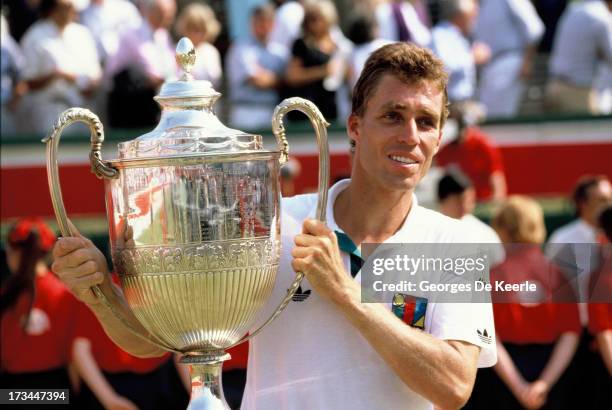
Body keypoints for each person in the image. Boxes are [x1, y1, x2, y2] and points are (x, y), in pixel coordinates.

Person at [50, 42, 497, 409]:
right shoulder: (273, 222)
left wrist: (346, 295)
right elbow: (163, 341)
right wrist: (100, 293)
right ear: (356, 127)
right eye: (393, 116)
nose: (411, 136)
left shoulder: (456, 243)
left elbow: (454, 386)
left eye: (426, 122)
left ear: (439, 138)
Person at [474, 196, 581, 410]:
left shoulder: (491, 276)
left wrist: (519, 386)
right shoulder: (558, 274)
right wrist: (543, 384)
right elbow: (571, 333)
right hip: (551, 369)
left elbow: (486, 336)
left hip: (501, 375)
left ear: (502, 228)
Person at [0, 218, 79, 408]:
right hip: (57, 390)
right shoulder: (64, 293)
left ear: (15, 253)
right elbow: (73, 357)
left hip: (12, 391)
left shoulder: (6, 294)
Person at [72, 297, 189, 410]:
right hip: (113, 382)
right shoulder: (96, 288)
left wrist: (196, 391)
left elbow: (182, 345)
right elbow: (81, 350)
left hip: (161, 378)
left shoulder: (160, 290)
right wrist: (110, 399)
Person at [18, 0, 102, 134]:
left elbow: (95, 76)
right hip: (48, 112)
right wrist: (54, 76)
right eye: (67, 7)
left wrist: (79, 81)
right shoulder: (34, 36)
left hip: (83, 111)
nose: (73, 10)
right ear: (53, 10)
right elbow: (28, 81)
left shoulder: (83, 34)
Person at [105, 0, 177, 128]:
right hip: (128, 106)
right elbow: (149, 71)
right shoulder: (131, 33)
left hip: (151, 106)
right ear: (150, 12)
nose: (167, 18)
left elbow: (171, 68)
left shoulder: (163, 35)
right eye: (163, 13)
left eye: (170, 14)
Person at [475, 0, 544, 118]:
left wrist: (527, 61)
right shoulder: (481, 3)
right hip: (488, 67)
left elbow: (534, 29)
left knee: (500, 119)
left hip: (508, 62)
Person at [226, 3, 287, 130]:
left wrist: (277, 79)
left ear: (273, 24)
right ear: (252, 23)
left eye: (267, 21)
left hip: (275, 111)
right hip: (247, 112)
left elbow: (289, 79)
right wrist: (279, 78)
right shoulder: (241, 48)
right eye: (260, 21)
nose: (263, 25)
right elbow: (257, 80)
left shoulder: (280, 51)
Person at [546, 0, 612, 115]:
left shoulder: (574, 9)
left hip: (554, 87)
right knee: (590, 132)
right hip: (578, 92)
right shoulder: (601, 17)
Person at [284, 0, 345, 122]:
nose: (315, 23)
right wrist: (322, 71)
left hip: (330, 107)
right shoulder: (301, 44)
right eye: (311, 19)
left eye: (319, 18)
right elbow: (292, 76)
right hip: (306, 110)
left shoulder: (338, 44)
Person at [435, 103, 507, 201]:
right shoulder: (445, 149)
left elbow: (496, 178)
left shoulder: (483, 144)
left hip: (483, 202)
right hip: (458, 206)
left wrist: (495, 204)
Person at [437, 169, 504, 266]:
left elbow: (498, 265)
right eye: (459, 200)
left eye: (470, 200)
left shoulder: (483, 233)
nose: (465, 206)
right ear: (443, 200)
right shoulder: (429, 230)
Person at [431, 0, 491, 103]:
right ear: (461, 15)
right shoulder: (440, 35)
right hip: (451, 103)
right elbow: (443, 67)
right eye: (472, 15)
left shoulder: (459, 36)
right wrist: (472, 57)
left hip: (464, 101)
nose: (475, 20)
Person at [175, 2, 222, 89]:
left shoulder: (211, 51)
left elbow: (215, 81)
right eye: (191, 28)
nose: (195, 33)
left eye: (199, 29)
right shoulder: (177, 50)